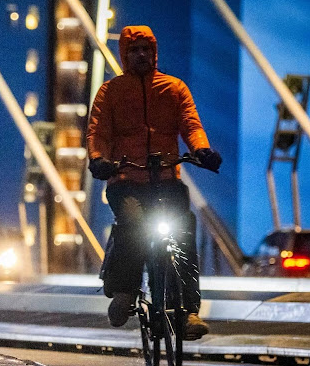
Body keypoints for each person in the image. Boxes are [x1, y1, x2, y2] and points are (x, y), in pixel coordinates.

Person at [86, 25, 222, 340]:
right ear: (125, 54)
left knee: (183, 232)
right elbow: (98, 132)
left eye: (146, 49)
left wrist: (202, 150)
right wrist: (98, 159)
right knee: (132, 224)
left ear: (154, 52)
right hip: (125, 179)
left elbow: (190, 124)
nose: (141, 55)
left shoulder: (174, 88)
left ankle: (188, 312)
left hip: (165, 179)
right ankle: (124, 290)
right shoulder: (111, 92)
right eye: (134, 50)